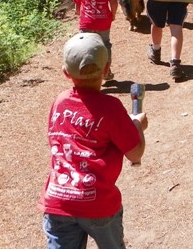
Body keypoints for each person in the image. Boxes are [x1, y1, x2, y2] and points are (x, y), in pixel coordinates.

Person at [38, 32, 148, 249]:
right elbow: (135, 153)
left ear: (65, 73)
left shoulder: (59, 102)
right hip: (98, 203)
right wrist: (137, 126)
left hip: (58, 200)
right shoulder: (111, 108)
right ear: (106, 69)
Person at [73, 0, 118, 80]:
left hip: (86, 23)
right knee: (105, 46)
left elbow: (77, 6)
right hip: (103, 23)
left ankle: (84, 74)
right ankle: (106, 72)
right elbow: (114, 2)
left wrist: (79, 14)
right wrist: (113, 14)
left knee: (85, 47)